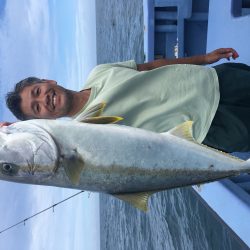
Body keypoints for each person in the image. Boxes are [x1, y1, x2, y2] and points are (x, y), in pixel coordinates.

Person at [3, 48, 249, 153]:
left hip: (215, 80)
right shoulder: (85, 132)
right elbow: (49, 149)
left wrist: (204, 58)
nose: (44, 100)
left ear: (48, 81)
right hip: (210, 126)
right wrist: (12, 137)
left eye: (37, 91)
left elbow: (151, 66)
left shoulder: (99, 71)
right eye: (37, 109)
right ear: (44, 120)